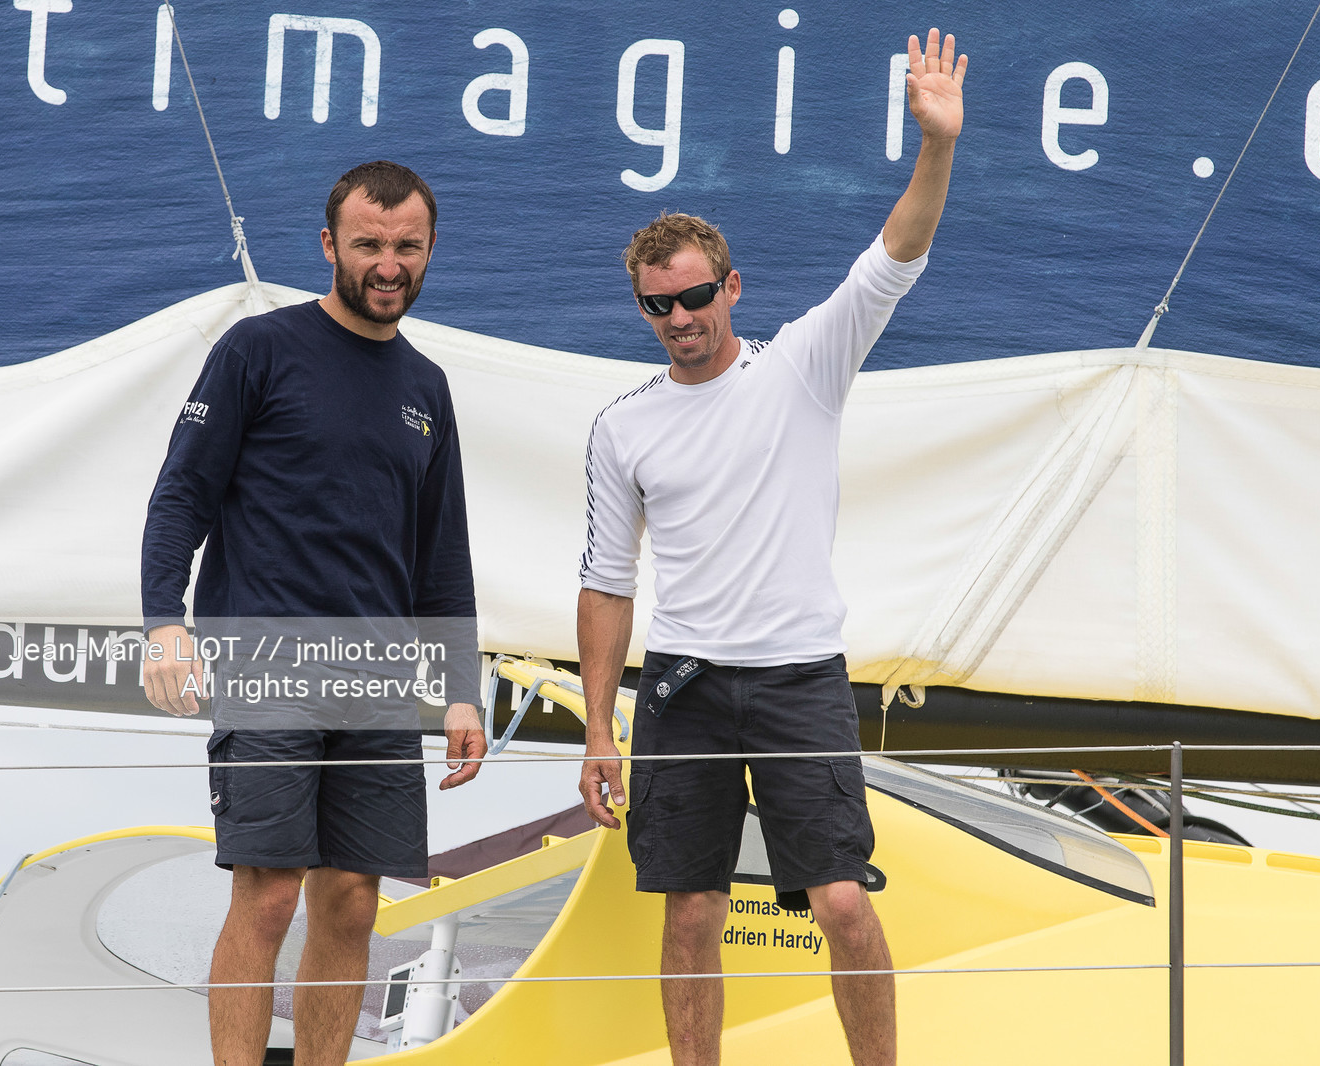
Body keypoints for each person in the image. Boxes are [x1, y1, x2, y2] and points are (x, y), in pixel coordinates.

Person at [575, 30, 967, 1066]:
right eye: (658, 305)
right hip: (683, 690)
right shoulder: (622, 426)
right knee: (691, 913)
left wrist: (937, 148)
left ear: (732, 289)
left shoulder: (801, 366)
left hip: (797, 678)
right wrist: (600, 729)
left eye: (697, 296)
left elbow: (895, 258)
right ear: (643, 309)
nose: (681, 318)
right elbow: (607, 585)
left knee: (840, 901)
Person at [140, 160, 488, 1066]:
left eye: (406, 246)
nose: (388, 263)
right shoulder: (258, 349)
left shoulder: (428, 387)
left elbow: (441, 558)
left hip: (376, 676)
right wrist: (162, 623)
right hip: (264, 657)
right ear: (330, 245)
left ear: (429, 250)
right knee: (267, 897)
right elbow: (180, 496)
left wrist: (460, 692)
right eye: (369, 243)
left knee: (354, 904)